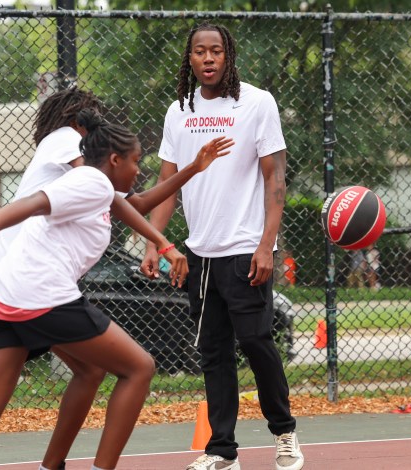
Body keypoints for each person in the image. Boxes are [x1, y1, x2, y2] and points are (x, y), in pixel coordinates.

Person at [0, 87, 233, 470]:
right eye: (134, 160)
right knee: (137, 367)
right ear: (82, 125)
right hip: (33, 286)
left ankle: (52, 465)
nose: (96, 129)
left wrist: (187, 183)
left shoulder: (91, 178)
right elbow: (64, 199)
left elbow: (130, 202)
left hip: (4, 288)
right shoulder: (70, 147)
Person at [140, 22, 304, 470]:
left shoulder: (257, 102)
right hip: (199, 253)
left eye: (216, 51)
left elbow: (275, 178)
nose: (208, 59)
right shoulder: (179, 110)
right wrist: (155, 242)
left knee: (255, 341)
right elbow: (167, 184)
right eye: (199, 51)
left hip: (245, 247)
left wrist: (266, 245)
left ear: (228, 56)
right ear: (189, 59)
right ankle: (222, 451)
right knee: (213, 352)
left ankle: (284, 432)